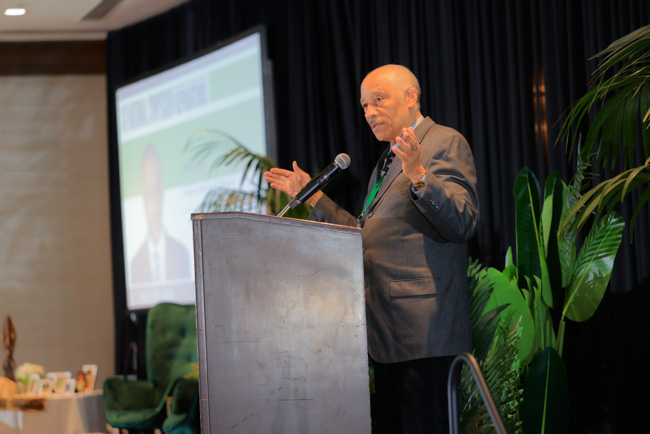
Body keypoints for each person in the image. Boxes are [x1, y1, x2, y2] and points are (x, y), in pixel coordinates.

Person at [265, 64, 479, 433]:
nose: (369, 113)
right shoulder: (385, 162)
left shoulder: (444, 141)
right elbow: (362, 237)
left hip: (425, 337)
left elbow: (463, 221)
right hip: (385, 336)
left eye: (378, 100)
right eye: (364, 105)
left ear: (411, 97)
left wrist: (420, 175)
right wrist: (312, 195)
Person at [131, 144, 190, 284]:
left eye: (154, 189)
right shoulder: (135, 262)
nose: (151, 201)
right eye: (147, 193)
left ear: (162, 191)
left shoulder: (181, 254)